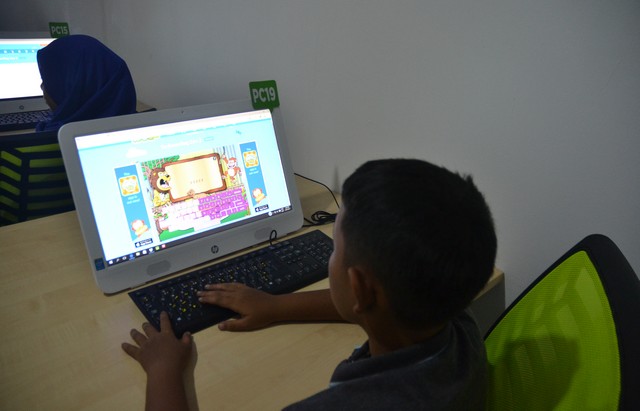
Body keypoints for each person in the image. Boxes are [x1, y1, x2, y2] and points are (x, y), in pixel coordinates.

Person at [122, 158, 497, 410]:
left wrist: (164, 371)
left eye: (335, 249)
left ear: (360, 288)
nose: (331, 257)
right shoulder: (459, 325)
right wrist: (276, 305)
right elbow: (376, 302)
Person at [36, 34, 137, 132]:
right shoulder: (137, 124)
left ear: (73, 86)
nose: (42, 86)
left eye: (46, 80)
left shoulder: (55, 138)